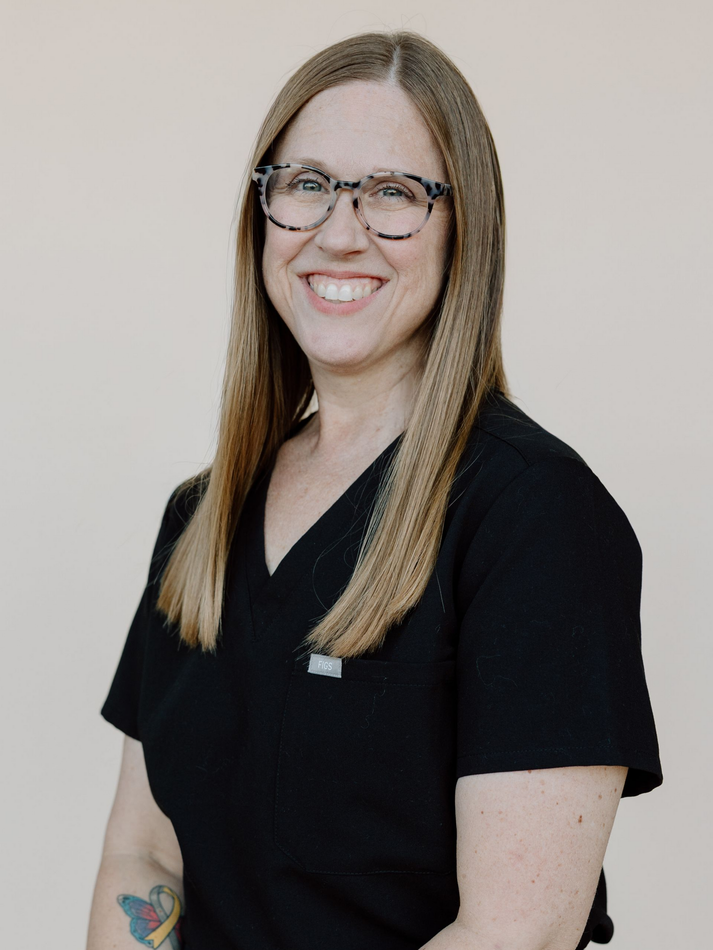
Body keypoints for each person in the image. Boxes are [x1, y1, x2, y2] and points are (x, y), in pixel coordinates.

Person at [87, 30, 663, 950]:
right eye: (306, 184)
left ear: (463, 228)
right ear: (264, 212)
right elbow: (145, 859)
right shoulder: (200, 519)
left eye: (393, 194)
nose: (339, 230)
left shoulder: (536, 517)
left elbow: (516, 933)